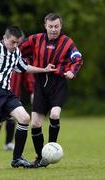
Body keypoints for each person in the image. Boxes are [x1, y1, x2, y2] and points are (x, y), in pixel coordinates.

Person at [0, 25, 56, 170]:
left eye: (18, 42)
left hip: (6, 92)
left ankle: (17, 159)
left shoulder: (16, 53)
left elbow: (25, 67)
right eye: (13, 42)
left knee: (24, 118)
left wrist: (44, 69)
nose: (15, 45)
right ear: (4, 38)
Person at [19, 13, 83, 168]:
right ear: (45, 26)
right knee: (35, 124)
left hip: (58, 83)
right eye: (51, 26)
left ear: (60, 26)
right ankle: (41, 158)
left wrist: (72, 72)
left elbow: (77, 58)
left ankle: (51, 148)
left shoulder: (67, 42)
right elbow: (18, 51)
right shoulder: (35, 40)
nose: (54, 29)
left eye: (57, 26)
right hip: (40, 84)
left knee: (55, 114)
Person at [0, 71, 35, 151]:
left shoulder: (20, 61)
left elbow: (28, 77)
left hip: (14, 95)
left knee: (12, 118)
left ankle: (8, 143)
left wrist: (32, 91)